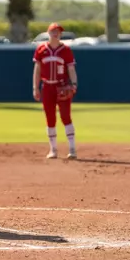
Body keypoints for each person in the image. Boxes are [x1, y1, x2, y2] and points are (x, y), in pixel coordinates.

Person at [32, 22, 78, 159]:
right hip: (47, 87)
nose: (56, 33)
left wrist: (74, 84)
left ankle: (72, 149)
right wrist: (35, 87)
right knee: (50, 118)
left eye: (58, 31)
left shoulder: (66, 50)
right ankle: (53, 150)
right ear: (48, 33)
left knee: (66, 117)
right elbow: (37, 70)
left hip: (61, 86)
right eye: (53, 31)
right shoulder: (41, 49)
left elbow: (71, 69)